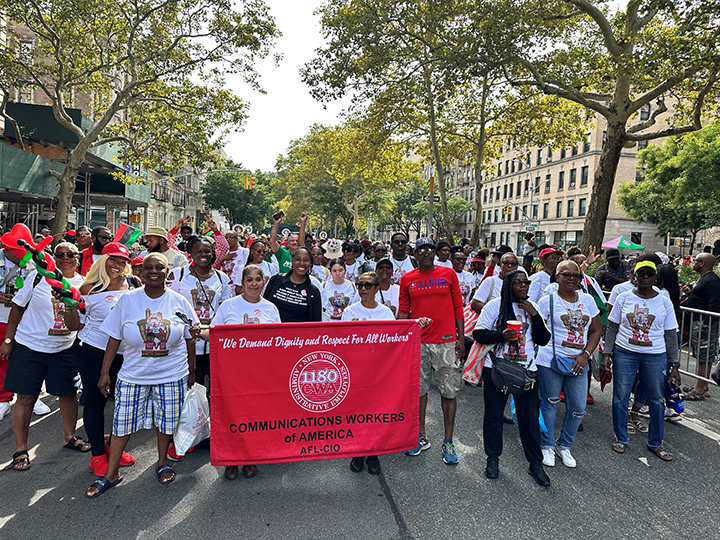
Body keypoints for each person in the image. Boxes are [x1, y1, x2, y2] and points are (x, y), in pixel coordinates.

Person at [86, 253, 200, 498]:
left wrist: (192, 371)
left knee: (166, 422)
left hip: (172, 374)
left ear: (168, 272)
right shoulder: (127, 300)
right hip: (133, 374)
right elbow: (114, 337)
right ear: (140, 271)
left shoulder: (179, 301)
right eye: (148, 267)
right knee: (121, 423)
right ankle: (111, 473)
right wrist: (105, 372)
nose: (154, 271)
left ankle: (162, 462)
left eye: (160, 267)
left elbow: (191, 337)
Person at [2, 242, 88, 471]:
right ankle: (20, 448)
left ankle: (70, 436)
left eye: (70, 254)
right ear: (53, 257)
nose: (65, 257)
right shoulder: (37, 277)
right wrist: (8, 340)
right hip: (29, 346)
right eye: (60, 254)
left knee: (68, 394)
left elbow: (79, 323)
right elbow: (17, 307)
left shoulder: (84, 284)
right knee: (26, 398)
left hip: (63, 349)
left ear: (78, 257)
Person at [63, 243, 139, 476]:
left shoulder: (134, 284)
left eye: (123, 261)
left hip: (125, 354)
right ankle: (97, 454)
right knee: (96, 402)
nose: (118, 265)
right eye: (113, 259)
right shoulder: (88, 288)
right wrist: (68, 306)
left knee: (124, 404)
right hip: (93, 351)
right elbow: (74, 326)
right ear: (102, 260)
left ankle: (112, 445)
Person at [473, 269, 552, 485]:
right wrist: (501, 335)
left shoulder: (532, 307)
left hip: (526, 370)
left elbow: (543, 339)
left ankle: (535, 464)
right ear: (509, 285)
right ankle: (492, 459)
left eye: (526, 282)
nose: (523, 286)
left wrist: (534, 315)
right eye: (518, 282)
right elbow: (478, 333)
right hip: (497, 369)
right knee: (494, 416)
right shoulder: (495, 306)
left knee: (530, 419)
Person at [205, 264, 281, 480]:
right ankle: (230, 460)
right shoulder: (228, 306)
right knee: (230, 416)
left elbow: (278, 341)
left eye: (258, 279)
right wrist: (200, 333)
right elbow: (212, 333)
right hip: (231, 373)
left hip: (259, 375)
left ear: (264, 282)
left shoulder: (270, 308)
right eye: (250, 280)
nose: (254, 284)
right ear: (242, 282)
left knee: (254, 417)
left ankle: (250, 457)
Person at [601, 261, 680, 461]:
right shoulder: (623, 297)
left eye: (649, 273)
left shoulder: (664, 301)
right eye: (640, 273)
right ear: (634, 276)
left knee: (656, 399)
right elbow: (612, 327)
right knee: (620, 396)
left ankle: (655, 442)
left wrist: (675, 364)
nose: (644, 276)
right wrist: (607, 354)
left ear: (655, 277)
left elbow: (671, 334)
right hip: (625, 353)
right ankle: (620, 437)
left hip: (656, 355)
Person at [398, 237, 464, 465]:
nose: (426, 253)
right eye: (421, 250)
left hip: (447, 341)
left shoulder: (449, 274)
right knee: (418, 391)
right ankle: (420, 435)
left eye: (429, 249)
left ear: (435, 253)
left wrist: (460, 338)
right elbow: (403, 312)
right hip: (418, 343)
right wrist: (402, 341)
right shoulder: (407, 279)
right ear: (414, 254)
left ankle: (448, 441)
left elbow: (458, 306)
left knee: (449, 392)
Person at [167, 236, 231, 458]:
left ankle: (208, 430)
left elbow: (226, 308)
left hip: (212, 341)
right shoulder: (179, 275)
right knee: (187, 384)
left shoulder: (222, 278)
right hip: (185, 340)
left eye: (207, 252)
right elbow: (170, 305)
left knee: (212, 387)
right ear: (190, 253)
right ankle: (181, 434)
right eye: (199, 251)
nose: (203, 255)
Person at [536, 261, 602, 468]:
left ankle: (564, 445)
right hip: (550, 359)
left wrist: (585, 354)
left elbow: (596, 330)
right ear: (557, 277)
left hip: (579, 362)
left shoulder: (588, 300)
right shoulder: (547, 301)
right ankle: (547, 445)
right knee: (550, 402)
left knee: (578, 408)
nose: (572, 278)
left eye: (576, 275)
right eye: (566, 274)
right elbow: (537, 330)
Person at [342, 271, 395, 475]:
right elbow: (342, 340)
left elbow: (394, 341)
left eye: (368, 285)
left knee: (375, 412)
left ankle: (373, 451)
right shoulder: (349, 311)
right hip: (356, 370)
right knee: (357, 412)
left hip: (379, 372)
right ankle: (357, 450)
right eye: (360, 285)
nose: (363, 289)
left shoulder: (386, 313)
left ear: (377, 288)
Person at [0, 239, 39, 421]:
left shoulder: (34, 263)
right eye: (19, 254)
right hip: (1, 318)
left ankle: (30, 395)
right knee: (3, 359)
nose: (24, 258)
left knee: (26, 359)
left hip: (25, 320)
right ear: (6, 250)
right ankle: (3, 399)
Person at [680, 252, 720, 401]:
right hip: (700, 323)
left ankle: (699, 389)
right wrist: (690, 293)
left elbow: (715, 304)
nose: (693, 262)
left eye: (695, 261)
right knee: (702, 355)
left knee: (704, 355)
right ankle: (703, 386)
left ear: (702, 263)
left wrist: (706, 324)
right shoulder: (705, 278)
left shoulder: (711, 280)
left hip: (704, 325)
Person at [264, 247, 322, 322]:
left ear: (310, 263)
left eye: (306, 260)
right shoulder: (276, 280)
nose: (302, 263)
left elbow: (316, 323)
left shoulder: (313, 292)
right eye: (298, 259)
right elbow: (264, 306)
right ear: (292, 261)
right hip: (272, 328)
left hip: (298, 329)